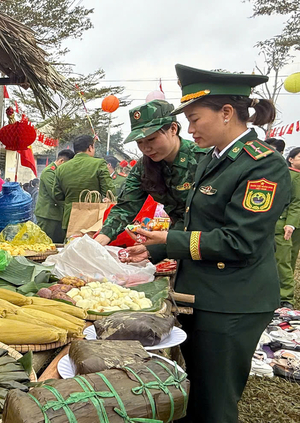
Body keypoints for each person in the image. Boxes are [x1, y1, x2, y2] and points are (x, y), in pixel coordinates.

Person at [123, 64, 290, 422]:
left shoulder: (262, 165)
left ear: (227, 113)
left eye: (196, 118)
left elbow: (240, 240)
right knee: (197, 389)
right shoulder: (214, 159)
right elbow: (195, 221)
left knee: (215, 402)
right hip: (204, 292)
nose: (190, 128)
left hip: (232, 300)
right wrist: (155, 248)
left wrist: (171, 241)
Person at [95, 100, 209, 246]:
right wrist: (102, 238)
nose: (146, 148)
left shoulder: (203, 159)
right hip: (176, 241)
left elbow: (204, 214)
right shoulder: (143, 167)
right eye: (139, 142)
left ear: (173, 129)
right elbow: (126, 206)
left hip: (205, 242)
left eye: (151, 139)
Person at [53, 135, 114, 234]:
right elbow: (110, 192)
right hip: (93, 219)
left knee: (71, 246)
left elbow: (57, 195)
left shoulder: (61, 168)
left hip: (70, 218)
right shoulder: (99, 164)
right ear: (90, 147)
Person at [268, 139, 300, 308]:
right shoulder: (270, 171)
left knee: (284, 263)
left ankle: (286, 299)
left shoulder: (294, 176)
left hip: (284, 226)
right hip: (270, 224)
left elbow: (296, 202)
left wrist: (291, 224)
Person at [35, 149, 74, 243]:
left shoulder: (58, 172)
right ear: (61, 161)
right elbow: (56, 194)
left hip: (57, 215)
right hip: (48, 215)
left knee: (58, 245)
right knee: (44, 245)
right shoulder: (49, 172)